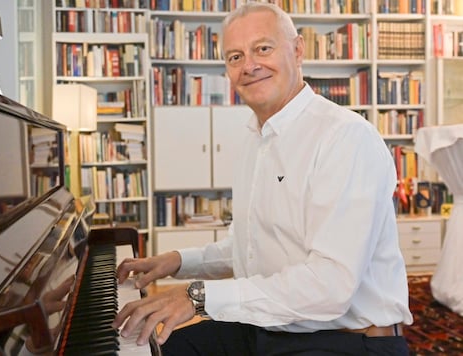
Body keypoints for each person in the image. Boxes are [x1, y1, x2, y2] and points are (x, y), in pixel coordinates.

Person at [112, 2, 413, 355]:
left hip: (345, 339)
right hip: (269, 325)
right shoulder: (257, 139)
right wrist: (177, 261)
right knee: (148, 348)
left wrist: (198, 297)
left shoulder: (345, 138)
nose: (249, 66)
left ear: (298, 50)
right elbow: (252, 248)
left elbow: (329, 287)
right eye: (235, 57)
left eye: (263, 49)